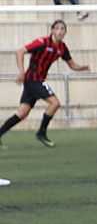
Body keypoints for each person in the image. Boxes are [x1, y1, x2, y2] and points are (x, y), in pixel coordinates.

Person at [0, 20, 91, 148]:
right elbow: (20, 51)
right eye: (57, 28)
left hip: (36, 81)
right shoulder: (42, 42)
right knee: (55, 103)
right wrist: (21, 71)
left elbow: (71, 64)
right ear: (52, 30)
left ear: (65, 32)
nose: (60, 31)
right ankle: (41, 132)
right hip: (33, 79)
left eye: (62, 29)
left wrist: (83, 68)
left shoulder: (62, 48)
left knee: (22, 113)